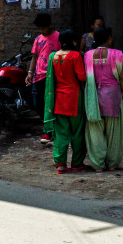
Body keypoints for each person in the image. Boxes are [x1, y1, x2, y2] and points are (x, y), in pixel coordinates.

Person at [43, 30, 87, 173]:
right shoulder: (75, 56)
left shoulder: (52, 57)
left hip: (58, 100)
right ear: (74, 41)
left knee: (61, 133)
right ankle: (76, 163)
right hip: (75, 99)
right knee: (78, 132)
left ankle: (60, 164)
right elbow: (82, 77)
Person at [84, 27, 123, 172]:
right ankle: (112, 164)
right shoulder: (117, 54)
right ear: (109, 38)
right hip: (113, 96)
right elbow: (122, 79)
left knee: (95, 131)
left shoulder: (88, 55)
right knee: (114, 132)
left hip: (93, 97)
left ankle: (98, 165)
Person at [27, 13, 60, 144]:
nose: (41, 31)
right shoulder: (38, 39)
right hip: (38, 76)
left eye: (43, 28)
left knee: (51, 104)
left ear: (50, 25)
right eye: (39, 29)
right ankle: (48, 128)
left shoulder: (58, 37)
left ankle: (49, 131)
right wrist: (30, 72)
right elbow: (34, 57)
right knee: (37, 103)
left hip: (52, 76)